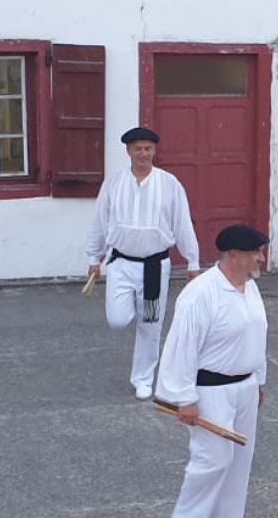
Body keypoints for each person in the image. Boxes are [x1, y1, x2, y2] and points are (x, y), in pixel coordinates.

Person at [157, 224, 270, 518]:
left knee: (239, 457)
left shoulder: (250, 288)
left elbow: (256, 335)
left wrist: (258, 380)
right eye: (255, 252)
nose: (261, 259)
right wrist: (184, 399)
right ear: (233, 255)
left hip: (245, 385)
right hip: (210, 390)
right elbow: (182, 347)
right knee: (213, 458)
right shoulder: (200, 294)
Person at [86, 127, 201, 400]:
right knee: (117, 319)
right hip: (121, 263)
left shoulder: (170, 184)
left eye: (148, 149)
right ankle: (137, 310)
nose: (143, 154)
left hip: (154, 267)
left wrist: (193, 261)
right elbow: (100, 220)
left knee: (151, 325)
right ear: (128, 151)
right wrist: (94, 257)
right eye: (138, 148)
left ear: (154, 151)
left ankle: (143, 379)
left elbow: (182, 223)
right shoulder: (114, 183)